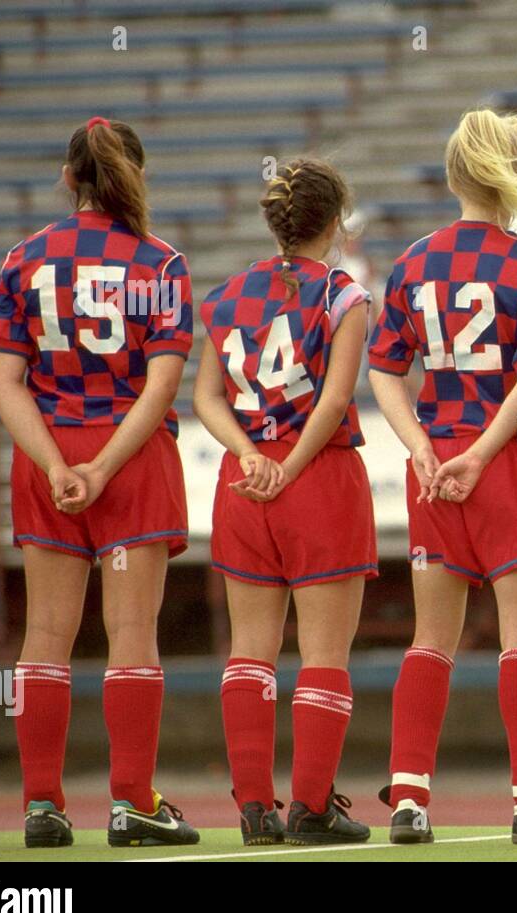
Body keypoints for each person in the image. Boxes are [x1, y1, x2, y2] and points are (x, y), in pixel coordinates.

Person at [368, 109, 517, 845]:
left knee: (431, 640)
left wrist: (424, 447)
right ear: (511, 172)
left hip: (436, 467)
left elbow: (384, 371)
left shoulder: (414, 261)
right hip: (509, 459)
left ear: (453, 174)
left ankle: (407, 796)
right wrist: (482, 452)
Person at [0, 117, 199, 848]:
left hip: (47, 458)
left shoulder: (22, 260)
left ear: (68, 178)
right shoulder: (161, 263)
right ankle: (132, 801)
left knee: (45, 633)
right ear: (133, 175)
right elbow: (163, 384)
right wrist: (104, 466)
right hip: (129, 458)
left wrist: (54, 463)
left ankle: (41, 804)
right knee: (131, 633)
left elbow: (3, 380)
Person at [195, 158, 376, 847]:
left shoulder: (230, 294)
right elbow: (334, 401)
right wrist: (288, 465)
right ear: (334, 223)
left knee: (249, 650)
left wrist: (249, 455)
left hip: (242, 489)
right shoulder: (345, 296)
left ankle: (253, 809)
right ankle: (309, 807)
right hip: (318, 481)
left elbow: (207, 396)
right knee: (325, 651)